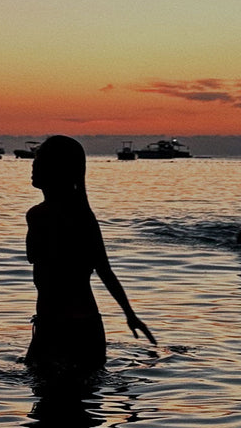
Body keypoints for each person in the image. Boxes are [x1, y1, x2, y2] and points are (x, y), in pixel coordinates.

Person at [24, 135, 154, 374]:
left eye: (39, 160)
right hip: (79, 324)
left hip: (60, 325)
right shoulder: (81, 215)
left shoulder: (41, 215)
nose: (32, 165)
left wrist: (130, 315)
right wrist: (130, 314)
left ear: (57, 169)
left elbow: (35, 257)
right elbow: (104, 270)